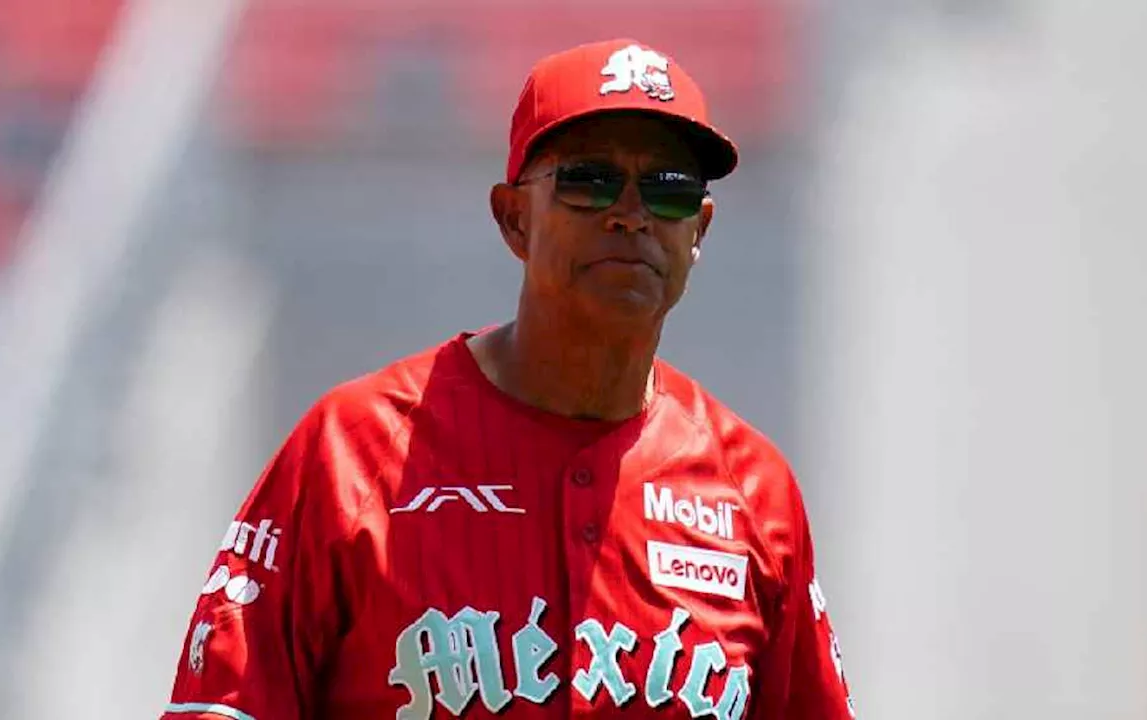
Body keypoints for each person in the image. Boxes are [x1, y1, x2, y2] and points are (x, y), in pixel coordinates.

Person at [160, 38, 854, 720]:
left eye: (668, 190)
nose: (630, 213)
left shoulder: (754, 493)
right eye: (589, 179)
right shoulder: (353, 452)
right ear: (513, 217)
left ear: (698, 230)